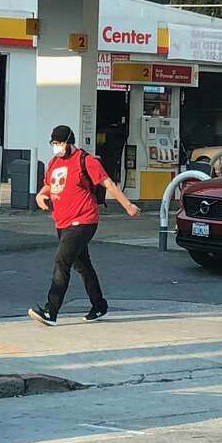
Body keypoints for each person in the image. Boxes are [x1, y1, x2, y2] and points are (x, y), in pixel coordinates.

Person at [29, 125, 141, 327]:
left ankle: (51, 311)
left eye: (60, 143)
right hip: (62, 221)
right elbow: (50, 184)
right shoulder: (53, 162)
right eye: (54, 143)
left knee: (61, 262)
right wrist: (40, 194)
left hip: (83, 220)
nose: (57, 147)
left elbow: (108, 184)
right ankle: (99, 305)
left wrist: (128, 205)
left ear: (69, 142)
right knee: (82, 265)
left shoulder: (85, 160)